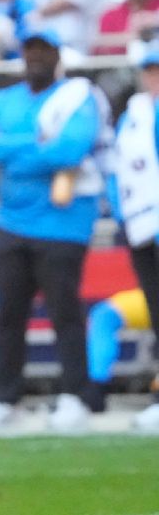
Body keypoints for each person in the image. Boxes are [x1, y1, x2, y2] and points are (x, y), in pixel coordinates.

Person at [0, 30, 108, 432]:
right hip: (10, 221)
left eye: (44, 51)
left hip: (63, 224)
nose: (36, 58)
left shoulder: (77, 97)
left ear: (57, 56)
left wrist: (12, 151)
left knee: (65, 313)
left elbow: (70, 149)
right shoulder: (1, 101)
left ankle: (74, 395)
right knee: (9, 315)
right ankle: (6, 397)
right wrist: (36, 144)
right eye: (30, 50)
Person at [107, 48, 159, 429]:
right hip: (140, 224)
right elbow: (118, 168)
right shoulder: (134, 113)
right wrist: (122, 213)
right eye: (149, 70)